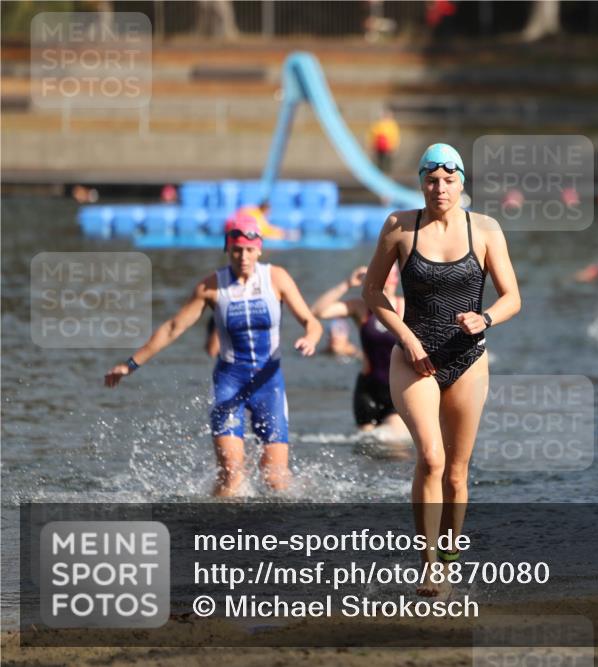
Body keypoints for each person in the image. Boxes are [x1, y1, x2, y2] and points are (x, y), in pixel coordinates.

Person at [361, 143, 520, 597]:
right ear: (421, 183)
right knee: (430, 458)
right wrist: (406, 337)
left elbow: (513, 297)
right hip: (415, 359)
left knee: (456, 471)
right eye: (432, 180)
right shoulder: (399, 227)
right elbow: (372, 291)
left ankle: (450, 557)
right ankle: (429, 564)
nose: (440, 188)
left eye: (449, 180)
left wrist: (484, 317)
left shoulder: (485, 230)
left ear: (462, 182)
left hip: (469, 359)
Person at [104, 215, 323, 497]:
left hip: (269, 384)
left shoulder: (277, 278)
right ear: (227, 250)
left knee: (276, 481)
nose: (242, 257)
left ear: (259, 249)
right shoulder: (210, 287)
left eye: (248, 250)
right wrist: (131, 364)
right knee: (232, 475)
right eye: (236, 250)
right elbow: (173, 327)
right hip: (230, 381)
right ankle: (218, 531)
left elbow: (311, 321)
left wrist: (311, 338)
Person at [311, 264, 409, 437]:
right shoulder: (361, 307)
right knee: (367, 446)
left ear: (395, 279)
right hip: (368, 390)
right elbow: (317, 312)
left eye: (387, 273)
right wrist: (347, 284)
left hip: (397, 389)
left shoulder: (406, 307)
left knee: (393, 444)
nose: (382, 276)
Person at [368, 108, 400, 173]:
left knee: (388, 162)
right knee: (380, 161)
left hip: (389, 146)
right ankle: (380, 173)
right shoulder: (377, 124)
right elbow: (372, 135)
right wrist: (371, 145)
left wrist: (395, 147)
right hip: (379, 146)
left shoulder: (392, 124)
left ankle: (387, 174)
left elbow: (395, 137)